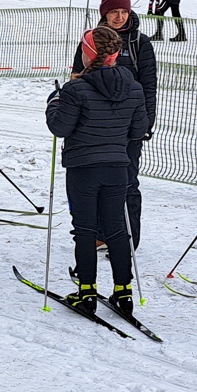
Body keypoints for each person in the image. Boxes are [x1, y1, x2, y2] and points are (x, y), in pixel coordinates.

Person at [46, 24, 148, 317]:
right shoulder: (133, 87)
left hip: (83, 167)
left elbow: (60, 126)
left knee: (86, 229)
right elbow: (139, 129)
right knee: (117, 228)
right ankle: (123, 291)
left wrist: (53, 103)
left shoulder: (75, 88)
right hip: (117, 166)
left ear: (88, 52)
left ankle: (87, 291)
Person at [73, 0, 157, 245]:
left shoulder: (139, 43)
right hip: (96, 126)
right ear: (104, 14)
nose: (119, 17)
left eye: (123, 11)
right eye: (114, 12)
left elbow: (149, 86)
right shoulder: (91, 39)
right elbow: (78, 77)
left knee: (128, 183)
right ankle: (100, 234)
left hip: (129, 126)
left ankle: (128, 238)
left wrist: (146, 124)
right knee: (97, 183)